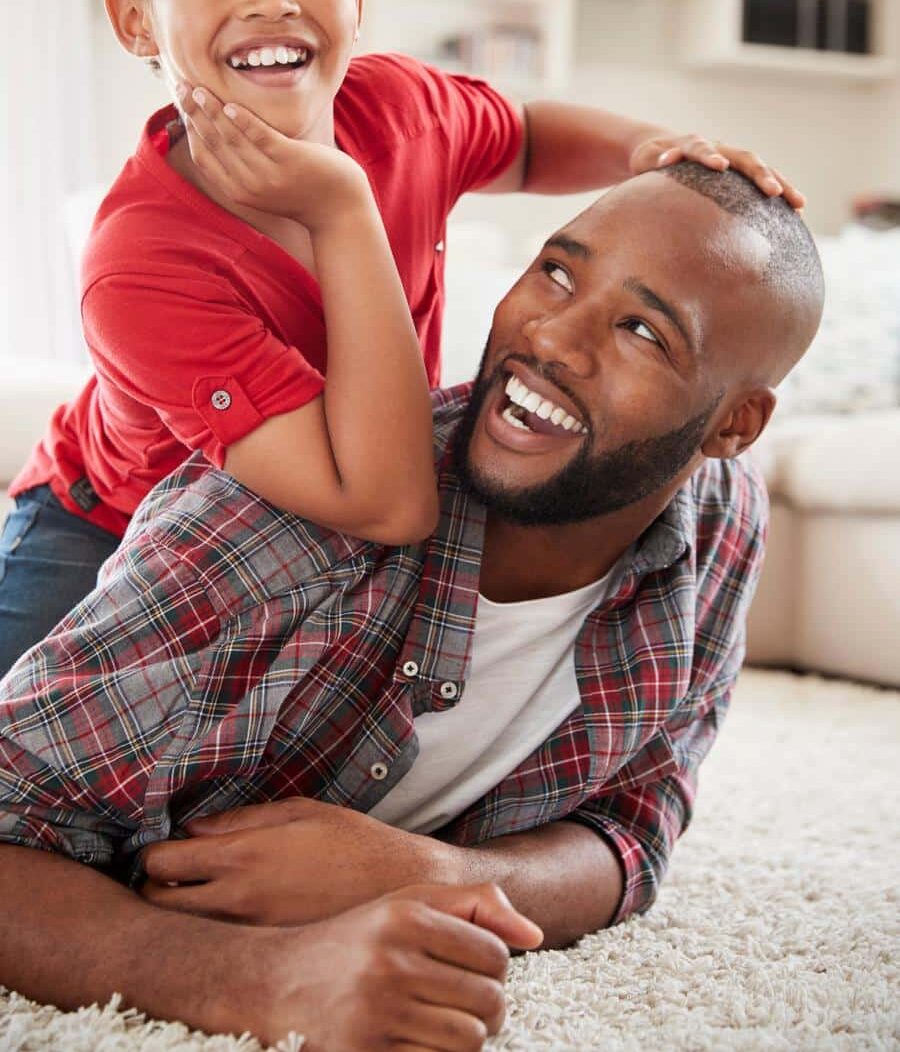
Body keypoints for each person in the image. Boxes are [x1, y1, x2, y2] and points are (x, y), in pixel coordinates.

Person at [0, 162, 824, 1051]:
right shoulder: (279, 533)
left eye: (641, 330)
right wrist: (264, 981)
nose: (552, 335)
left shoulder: (719, 522)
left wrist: (427, 873)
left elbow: (634, 825)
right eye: (556, 270)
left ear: (732, 427)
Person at [0, 0, 804, 671]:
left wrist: (651, 148)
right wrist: (342, 204)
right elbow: (387, 503)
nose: (273, 0)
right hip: (104, 525)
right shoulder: (141, 264)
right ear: (136, 19)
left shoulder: (403, 111)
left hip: (320, 514)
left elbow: (528, 139)